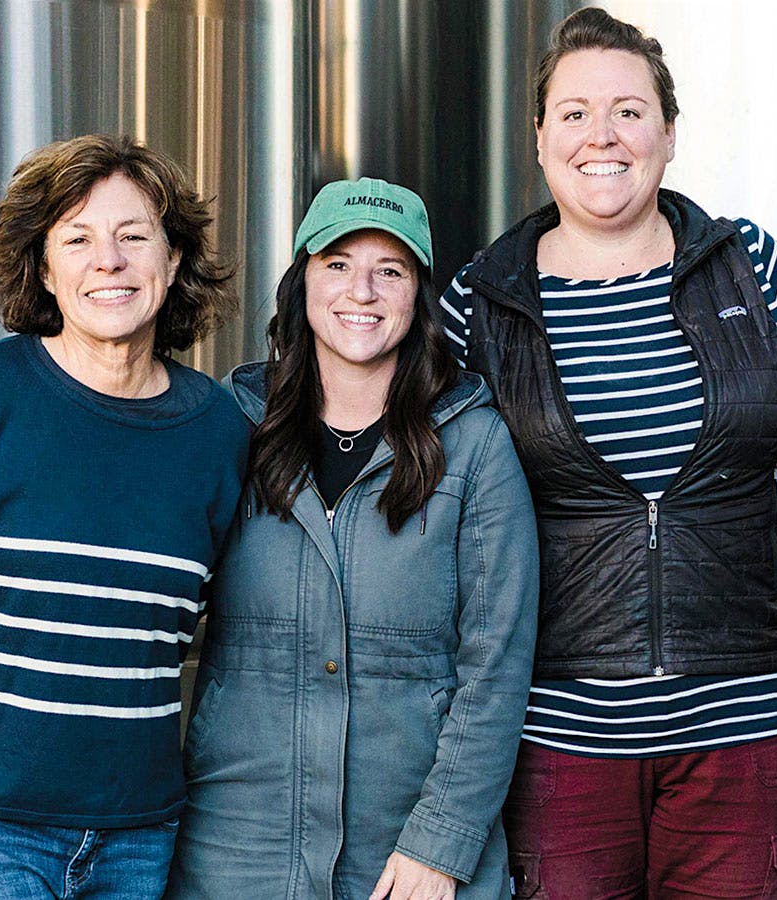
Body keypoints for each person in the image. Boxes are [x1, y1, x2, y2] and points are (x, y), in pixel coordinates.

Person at [439, 9, 777, 898]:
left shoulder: (751, 267)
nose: (601, 136)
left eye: (628, 111)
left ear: (669, 134)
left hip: (747, 728)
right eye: (573, 113)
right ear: (538, 139)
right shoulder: (480, 304)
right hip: (560, 739)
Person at [0, 134, 246, 898]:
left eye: (134, 237)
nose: (109, 261)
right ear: (45, 269)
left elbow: (204, 615)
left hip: (136, 824)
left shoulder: (217, 432)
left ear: (175, 260)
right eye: (78, 239)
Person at [168, 177, 539, 900]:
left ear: (417, 296)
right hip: (237, 846)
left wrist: (441, 845)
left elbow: (495, 668)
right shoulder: (225, 427)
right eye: (337, 263)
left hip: (404, 853)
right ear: (301, 280)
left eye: (389, 270)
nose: (361, 290)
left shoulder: (475, 447)